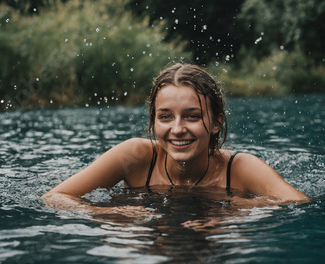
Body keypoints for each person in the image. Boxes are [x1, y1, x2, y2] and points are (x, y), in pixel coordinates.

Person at [42, 63, 309, 213]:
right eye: (165, 117)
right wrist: (109, 213)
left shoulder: (239, 168)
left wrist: (234, 210)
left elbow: (298, 202)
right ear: (153, 121)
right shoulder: (134, 157)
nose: (177, 128)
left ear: (217, 123)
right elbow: (54, 197)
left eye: (192, 116)